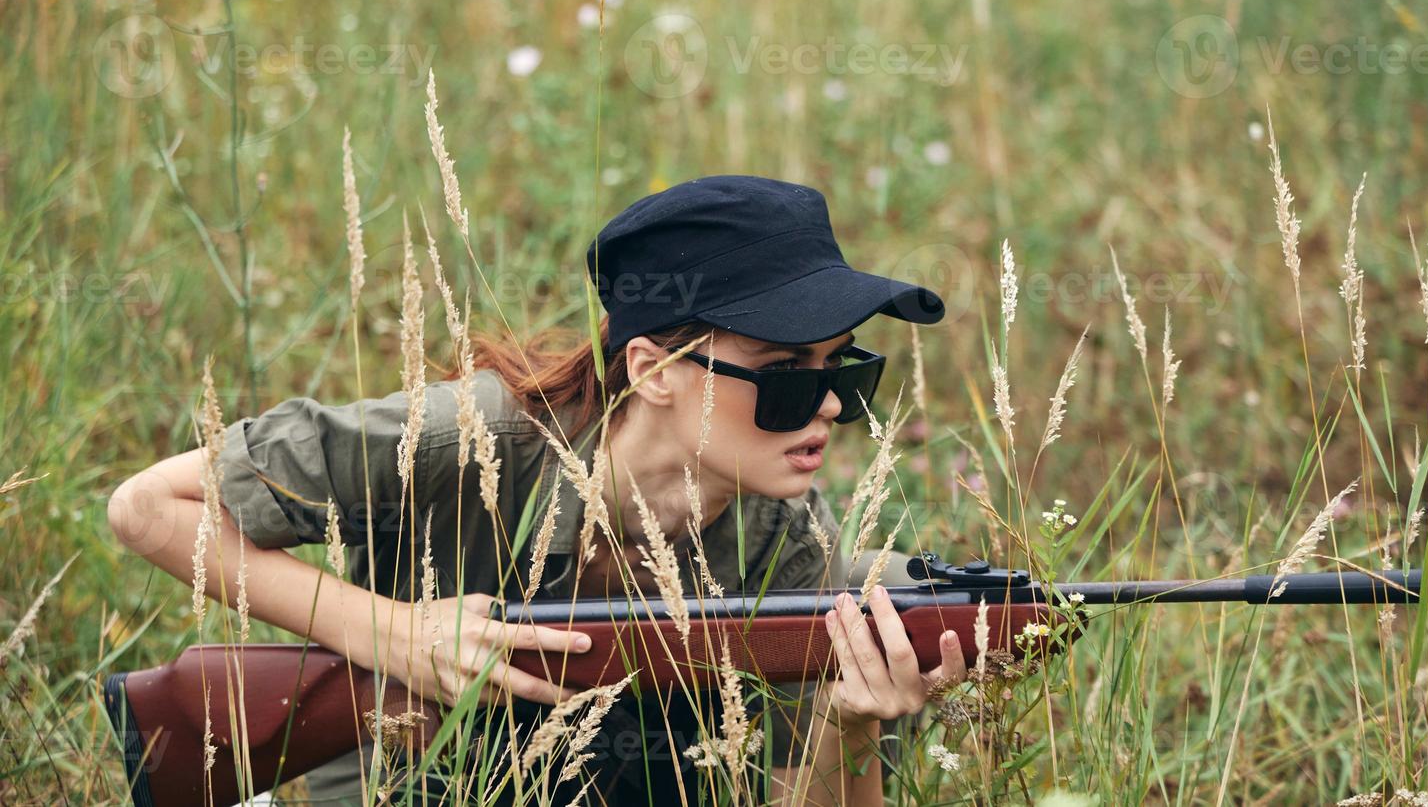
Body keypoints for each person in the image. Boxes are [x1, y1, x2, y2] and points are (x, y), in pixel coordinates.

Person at [108, 174, 971, 806]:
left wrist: (851, 728)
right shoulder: (470, 437)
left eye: (846, 369)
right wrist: (391, 633)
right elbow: (148, 509)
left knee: (882, 588)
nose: (825, 404)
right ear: (655, 370)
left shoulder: (787, 538)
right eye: (784, 373)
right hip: (423, 780)